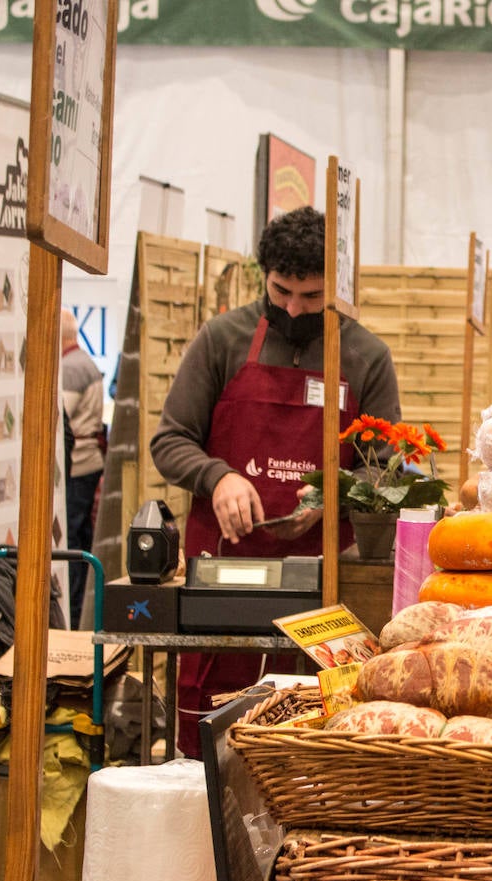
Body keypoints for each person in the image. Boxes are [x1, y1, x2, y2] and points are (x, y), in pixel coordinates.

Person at [151, 206, 400, 757]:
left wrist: (338, 492)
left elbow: (388, 466)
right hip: (225, 575)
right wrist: (216, 478)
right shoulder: (222, 340)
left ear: (336, 287)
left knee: (315, 739)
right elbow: (169, 441)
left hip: (325, 585)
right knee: (213, 741)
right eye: (281, 290)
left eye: (311, 297)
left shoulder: (365, 357)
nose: (292, 308)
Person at [61, 308, 104, 624]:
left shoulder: (70, 368)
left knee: (72, 543)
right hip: (87, 462)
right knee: (80, 538)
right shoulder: (84, 362)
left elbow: (58, 417)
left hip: (75, 466)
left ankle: (75, 614)